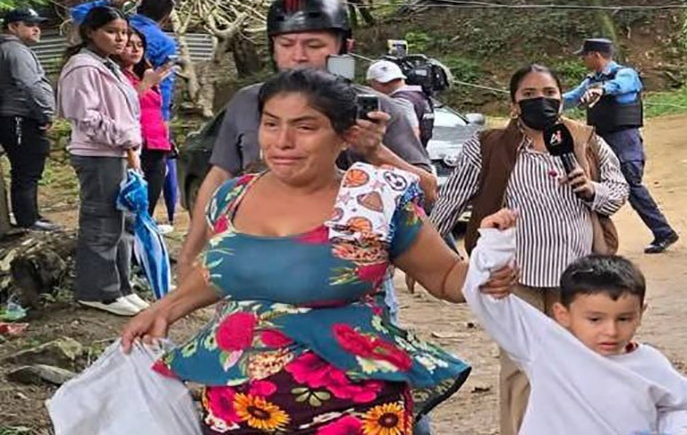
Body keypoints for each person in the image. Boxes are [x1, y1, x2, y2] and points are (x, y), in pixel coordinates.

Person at [120, 68, 516, 433]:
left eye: (305, 127)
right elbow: (222, 269)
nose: (283, 141)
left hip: (351, 409)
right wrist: (164, 309)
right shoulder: (233, 196)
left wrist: (489, 263)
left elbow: (445, 277)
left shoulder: (374, 198)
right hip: (237, 404)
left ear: (345, 135)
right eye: (271, 125)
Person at [430, 64, 628, 435]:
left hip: (578, 276)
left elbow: (618, 191)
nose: (542, 102)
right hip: (514, 276)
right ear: (513, 104)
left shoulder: (584, 141)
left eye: (550, 94)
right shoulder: (488, 145)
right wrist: (422, 250)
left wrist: (591, 189)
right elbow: (452, 199)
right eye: (530, 96)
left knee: (576, 362)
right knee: (521, 367)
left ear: (561, 98)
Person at [463, 218, 687, 434]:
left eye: (623, 319)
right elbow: (487, 299)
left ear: (640, 314)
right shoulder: (546, 347)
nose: (611, 331)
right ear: (562, 314)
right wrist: (496, 245)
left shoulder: (651, 364)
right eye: (595, 319)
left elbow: (683, 404)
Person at [57, 7, 148, 316]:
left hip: (120, 153)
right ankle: (98, 291)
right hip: (98, 156)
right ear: (90, 32)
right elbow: (86, 117)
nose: (120, 38)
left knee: (123, 224)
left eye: (123, 32)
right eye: (112, 31)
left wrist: (130, 144)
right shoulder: (82, 67)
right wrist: (125, 137)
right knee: (102, 223)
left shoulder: (109, 65)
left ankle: (122, 286)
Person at [71, 0, 180, 229]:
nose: (124, 42)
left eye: (137, 44)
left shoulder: (132, 66)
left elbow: (78, 14)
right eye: (116, 34)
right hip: (120, 145)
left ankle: (142, 255)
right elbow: (92, 116)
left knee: (143, 206)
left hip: (150, 139)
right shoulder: (102, 69)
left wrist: (112, 2)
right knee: (116, 218)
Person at [564, 38, 679, 254]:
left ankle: (663, 232)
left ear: (596, 55)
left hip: (625, 141)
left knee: (631, 185)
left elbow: (621, 85)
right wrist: (547, 101)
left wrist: (601, 90)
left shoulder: (625, 74)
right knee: (593, 186)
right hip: (600, 143)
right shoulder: (590, 81)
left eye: (585, 55)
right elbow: (571, 98)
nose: (582, 60)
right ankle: (591, 237)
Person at [0, 8, 57, 231]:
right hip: (20, 117)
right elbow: (30, 85)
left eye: (38, 24)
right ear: (13, 27)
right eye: (29, 24)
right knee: (27, 169)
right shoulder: (15, 50)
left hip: (15, 117)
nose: (36, 29)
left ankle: (30, 216)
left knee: (26, 169)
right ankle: (29, 220)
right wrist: (45, 113)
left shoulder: (11, 49)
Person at [116, 27, 175, 216]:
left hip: (157, 145)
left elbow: (158, 110)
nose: (135, 50)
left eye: (140, 45)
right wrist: (147, 85)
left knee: (149, 205)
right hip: (135, 145)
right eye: (129, 45)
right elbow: (122, 106)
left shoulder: (142, 74)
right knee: (134, 205)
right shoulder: (116, 76)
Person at [367, 59, 435, 147]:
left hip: (407, 156)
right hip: (421, 152)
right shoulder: (420, 95)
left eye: (371, 84)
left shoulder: (401, 101)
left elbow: (412, 133)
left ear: (379, 83)